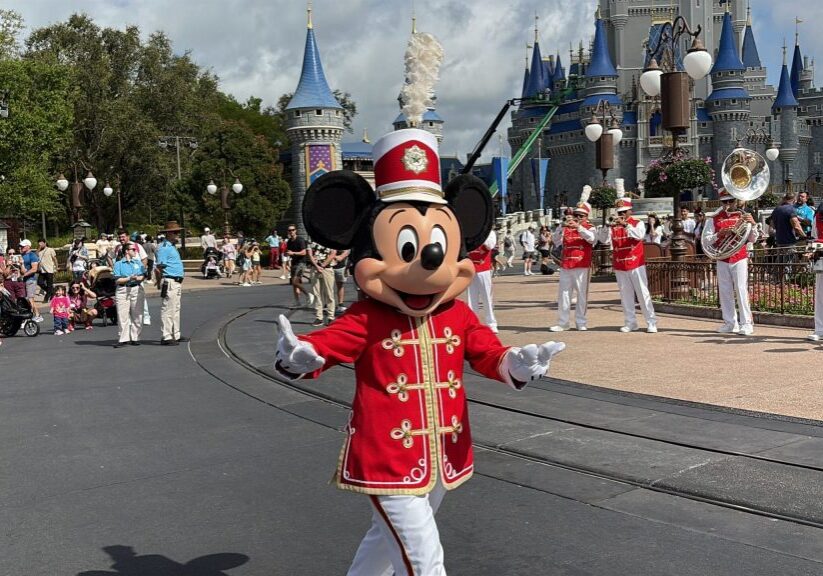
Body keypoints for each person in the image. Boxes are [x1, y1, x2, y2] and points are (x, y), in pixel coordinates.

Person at [275, 123, 564, 576]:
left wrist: (519, 364)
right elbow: (326, 343)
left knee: (384, 544)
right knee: (425, 562)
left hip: (443, 452)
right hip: (386, 456)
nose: (428, 263)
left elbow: (487, 352)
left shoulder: (457, 315)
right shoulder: (368, 317)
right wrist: (300, 356)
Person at [598, 182, 657, 333]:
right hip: (620, 265)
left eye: (624, 211)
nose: (621, 215)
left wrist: (625, 225)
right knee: (625, 296)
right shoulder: (614, 226)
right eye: (620, 212)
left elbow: (639, 236)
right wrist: (606, 226)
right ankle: (630, 322)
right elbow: (603, 240)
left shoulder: (637, 223)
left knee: (643, 293)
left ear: (630, 211)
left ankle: (651, 322)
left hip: (636, 263)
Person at [702, 191, 757, 335]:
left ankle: (746, 323)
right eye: (724, 202)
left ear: (736, 201)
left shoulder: (744, 216)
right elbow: (706, 240)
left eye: (730, 201)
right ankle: (730, 323)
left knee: (741, 289)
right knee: (725, 291)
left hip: (739, 256)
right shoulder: (713, 219)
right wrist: (719, 234)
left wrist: (753, 224)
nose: (727, 205)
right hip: (722, 257)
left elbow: (753, 239)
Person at [551, 186, 596, 332]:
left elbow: (592, 239)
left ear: (586, 217)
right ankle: (563, 322)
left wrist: (579, 228)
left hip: (582, 265)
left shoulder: (590, 227)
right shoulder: (566, 228)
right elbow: (556, 241)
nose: (578, 218)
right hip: (566, 265)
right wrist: (560, 227)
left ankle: (581, 321)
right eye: (576, 215)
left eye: (581, 216)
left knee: (582, 294)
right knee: (564, 294)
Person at [154, 221, 186, 346]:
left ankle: (175, 333)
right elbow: (159, 267)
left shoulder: (171, 246)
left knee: (175, 309)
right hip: (170, 281)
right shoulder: (164, 248)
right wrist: (159, 282)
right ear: (169, 233)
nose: (177, 234)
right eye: (176, 232)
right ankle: (166, 336)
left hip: (176, 281)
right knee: (168, 309)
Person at [112, 242, 146, 348]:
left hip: (136, 288)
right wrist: (128, 278)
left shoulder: (138, 262)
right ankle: (123, 339)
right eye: (133, 250)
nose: (135, 251)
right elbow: (117, 280)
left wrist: (138, 278)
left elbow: (143, 276)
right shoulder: (118, 264)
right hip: (123, 289)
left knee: (137, 314)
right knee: (123, 315)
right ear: (127, 251)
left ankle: (135, 337)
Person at [467, 228, 499, 333]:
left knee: (487, 297)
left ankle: (491, 323)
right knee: (471, 298)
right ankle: (473, 323)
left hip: (483, 268)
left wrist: (481, 234)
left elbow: (490, 245)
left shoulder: (489, 233)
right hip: (471, 267)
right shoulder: (469, 232)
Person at [308, 240, 336, 326]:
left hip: (327, 268)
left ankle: (331, 316)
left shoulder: (330, 239)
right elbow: (309, 253)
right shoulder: (311, 239)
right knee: (316, 293)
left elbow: (333, 253)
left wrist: (322, 265)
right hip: (314, 269)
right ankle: (319, 317)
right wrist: (316, 266)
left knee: (329, 293)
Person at [284, 224, 312, 307]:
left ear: (296, 230)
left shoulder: (300, 240)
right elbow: (289, 253)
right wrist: (288, 259)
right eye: (289, 230)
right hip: (293, 263)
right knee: (295, 284)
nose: (291, 231)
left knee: (295, 281)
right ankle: (297, 302)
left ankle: (308, 294)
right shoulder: (289, 241)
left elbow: (304, 252)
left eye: (293, 230)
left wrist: (293, 253)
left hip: (301, 263)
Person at [19, 239, 43, 322]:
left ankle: (38, 315)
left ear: (28, 246)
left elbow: (34, 269)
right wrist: (21, 265)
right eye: (21, 246)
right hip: (25, 280)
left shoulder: (32, 255)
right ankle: (30, 315)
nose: (21, 247)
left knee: (30, 298)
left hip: (31, 280)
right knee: (26, 299)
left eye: (23, 246)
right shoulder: (22, 255)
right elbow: (23, 270)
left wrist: (24, 275)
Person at [331, 247, 350, 315]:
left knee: (340, 285)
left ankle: (340, 303)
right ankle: (328, 304)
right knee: (328, 287)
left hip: (340, 267)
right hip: (328, 267)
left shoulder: (340, 240)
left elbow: (346, 251)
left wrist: (341, 256)